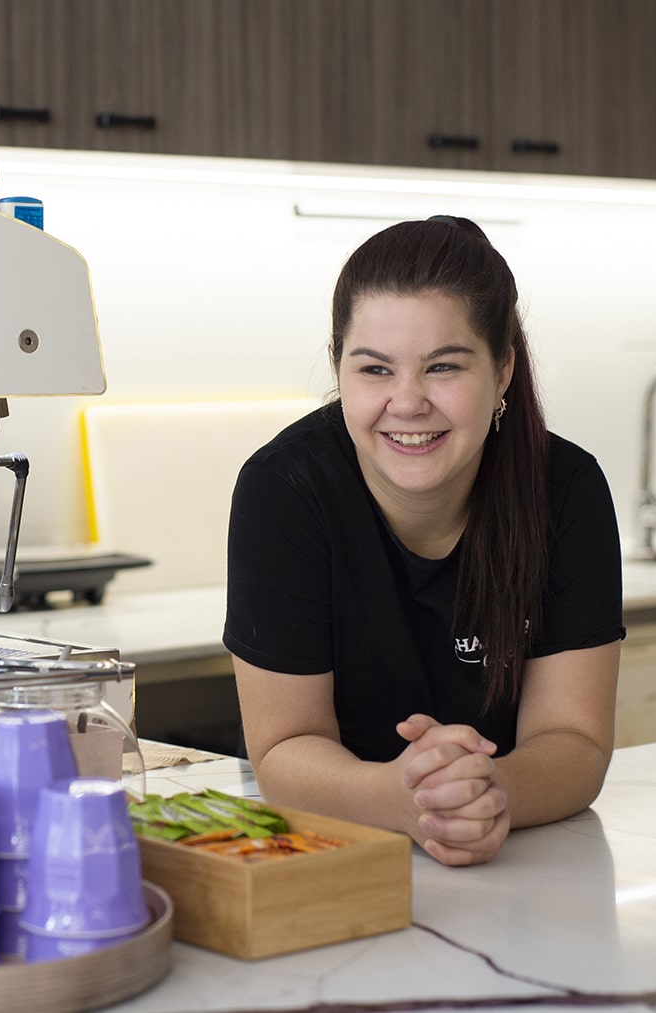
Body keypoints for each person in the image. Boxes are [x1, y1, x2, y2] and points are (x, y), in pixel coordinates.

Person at [224, 216, 624, 867]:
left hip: (518, 871)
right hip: (329, 860)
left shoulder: (565, 489)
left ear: (501, 371)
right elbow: (282, 749)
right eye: (375, 369)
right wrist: (400, 796)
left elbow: (573, 740)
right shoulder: (284, 489)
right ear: (339, 369)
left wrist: (492, 793)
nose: (406, 402)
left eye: (442, 366)